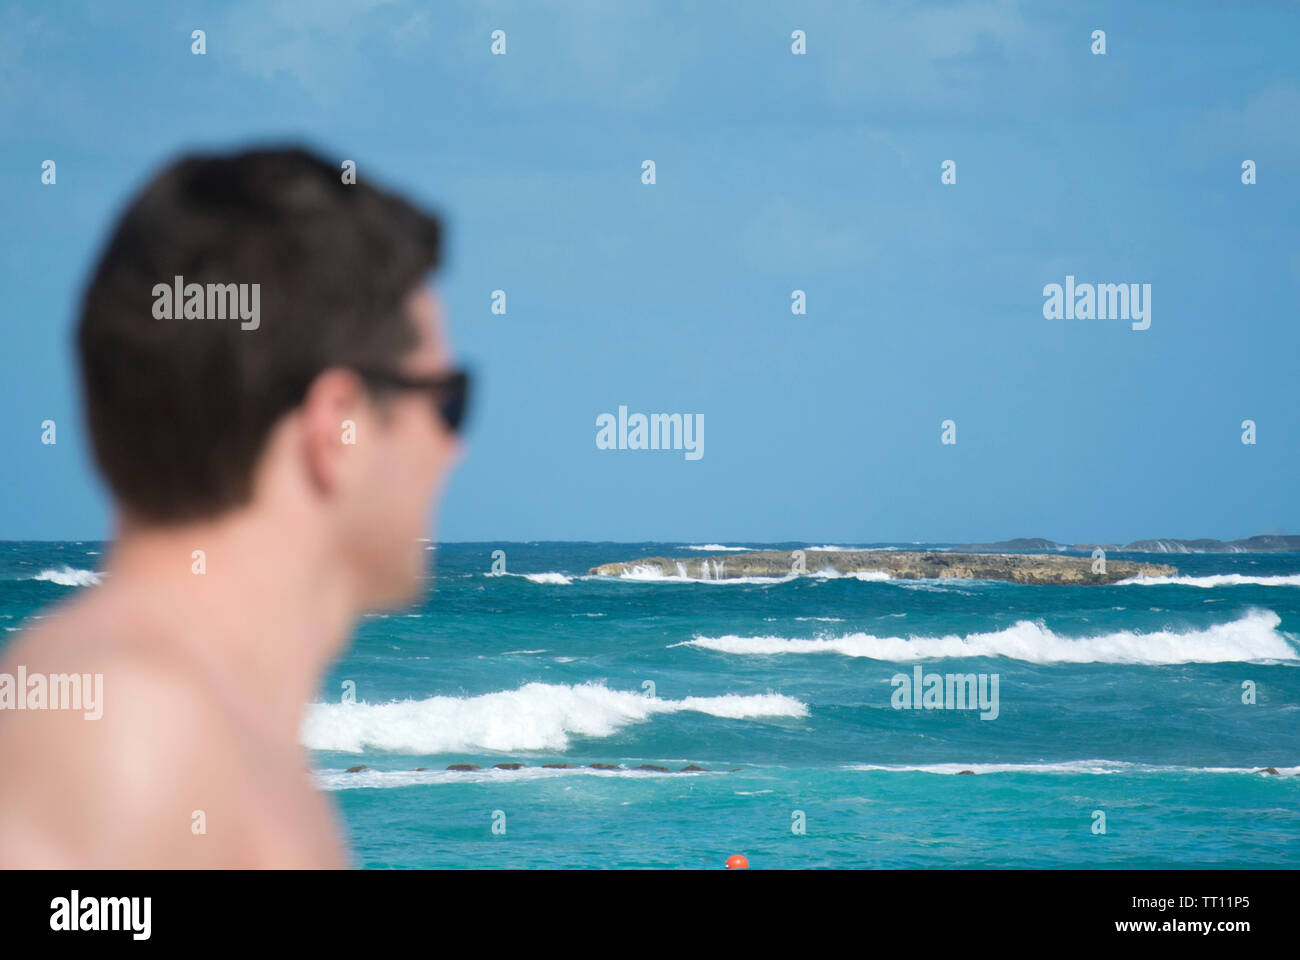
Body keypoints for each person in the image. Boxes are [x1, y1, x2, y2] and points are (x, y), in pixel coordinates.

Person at [0, 147, 466, 867]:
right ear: (337, 428)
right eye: (447, 403)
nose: (453, 449)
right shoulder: (132, 733)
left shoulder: (211, 738)